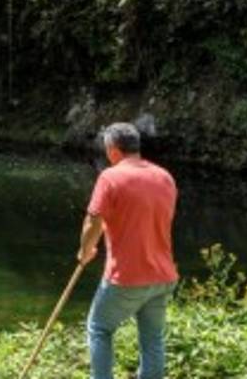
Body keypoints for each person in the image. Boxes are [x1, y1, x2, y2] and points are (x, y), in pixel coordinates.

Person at [76, 122, 178, 379]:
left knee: (99, 329)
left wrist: (85, 250)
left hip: (127, 277)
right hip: (163, 276)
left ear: (112, 150)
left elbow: (93, 221)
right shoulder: (165, 177)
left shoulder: (110, 177)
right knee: (153, 338)